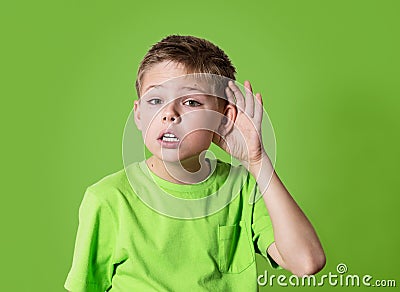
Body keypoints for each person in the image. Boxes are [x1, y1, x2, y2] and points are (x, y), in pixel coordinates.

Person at [64, 35, 325, 291]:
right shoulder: (108, 198)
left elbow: (307, 262)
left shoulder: (244, 189)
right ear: (139, 114)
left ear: (223, 119)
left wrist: (257, 160)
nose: (169, 114)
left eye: (191, 102)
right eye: (155, 100)